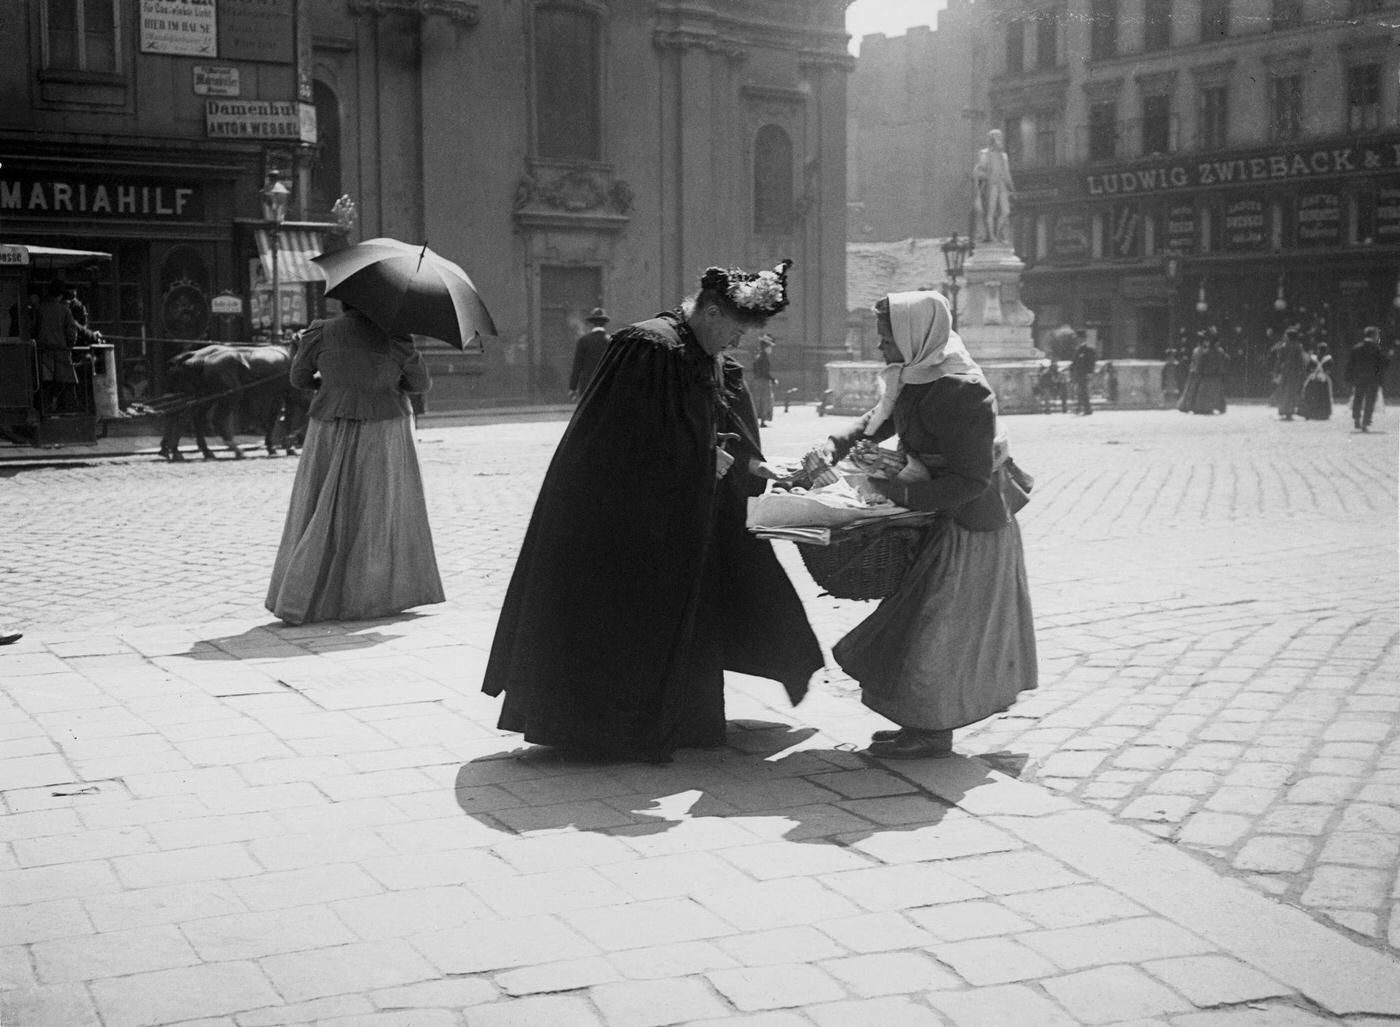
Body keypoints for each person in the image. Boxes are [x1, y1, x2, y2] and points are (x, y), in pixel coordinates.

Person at [482, 259, 823, 762]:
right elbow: (624, 440)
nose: (739, 344)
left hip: (678, 517)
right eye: (735, 330)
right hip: (623, 521)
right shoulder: (649, 348)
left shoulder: (704, 354)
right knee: (624, 622)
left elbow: (716, 425)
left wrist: (756, 467)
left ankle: (677, 718)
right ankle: (607, 730)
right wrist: (701, 458)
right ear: (709, 312)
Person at [807, 290, 1036, 759]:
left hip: (972, 525)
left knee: (937, 625)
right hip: (940, 512)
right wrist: (835, 448)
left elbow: (970, 480)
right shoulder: (914, 377)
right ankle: (920, 723)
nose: (880, 347)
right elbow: (877, 422)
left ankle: (932, 731)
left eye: (886, 337)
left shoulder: (960, 390)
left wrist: (896, 493)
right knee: (917, 619)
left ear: (915, 335)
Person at [265, 304, 445, 625]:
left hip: (328, 423)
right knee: (378, 507)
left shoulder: (320, 331)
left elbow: (298, 377)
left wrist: (332, 383)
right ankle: (371, 594)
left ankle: (304, 591)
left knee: (321, 502)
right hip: (384, 425)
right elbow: (420, 384)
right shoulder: (395, 337)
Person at [34, 280, 99, 412]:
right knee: (67, 385)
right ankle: (67, 411)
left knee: (45, 385)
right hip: (61, 353)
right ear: (60, 296)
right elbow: (72, 333)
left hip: (43, 353)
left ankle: (46, 410)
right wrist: (69, 346)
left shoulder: (39, 309)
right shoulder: (64, 310)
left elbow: (33, 329)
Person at [972, 128, 1015, 245]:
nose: (1000, 140)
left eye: (1000, 137)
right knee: (990, 212)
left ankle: (998, 234)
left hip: (1002, 186)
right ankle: (991, 236)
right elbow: (978, 172)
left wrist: (1012, 188)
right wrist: (988, 176)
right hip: (991, 185)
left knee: (1006, 212)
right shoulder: (984, 154)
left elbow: (1007, 173)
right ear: (992, 139)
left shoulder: (1004, 156)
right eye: (997, 137)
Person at [1347, 326, 1390, 432]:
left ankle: (1356, 419)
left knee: (1358, 398)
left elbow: (1350, 364)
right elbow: (1384, 363)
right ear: (1373, 335)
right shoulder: (1376, 348)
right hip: (1373, 379)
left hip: (1359, 378)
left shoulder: (1356, 348)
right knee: (1370, 400)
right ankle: (1366, 422)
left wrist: (1350, 377)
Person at [567, 307, 611, 400]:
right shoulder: (610, 341)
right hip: (606, 384)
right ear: (604, 323)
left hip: (587, 385)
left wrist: (573, 387)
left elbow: (577, 366)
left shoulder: (584, 341)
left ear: (592, 323)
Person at [1271, 326, 1310, 421]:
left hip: (1286, 371)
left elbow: (1279, 360)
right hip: (1295, 372)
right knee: (1292, 391)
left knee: (1284, 391)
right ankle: (1290, 411)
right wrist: (1304, 372)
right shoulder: (1298, 346)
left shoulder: (1284, 346)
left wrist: (1276, 372)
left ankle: (1285, 411)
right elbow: (1301, 361)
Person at [1299, 342, 1334, 421]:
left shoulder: (1313, 358)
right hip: (1323, 379)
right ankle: (1323, 413)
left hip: (1314, 378)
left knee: (1310, 395)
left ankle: (1310, 412)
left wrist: (1314, 372)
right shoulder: (1328, 359)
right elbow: (1331, 369)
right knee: (1324, 396)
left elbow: (1308, 369)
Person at [752, 333, 777, 426]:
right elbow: (765, 372)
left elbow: (755, 370)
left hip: (757, 380)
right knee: (765, 401)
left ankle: (759, 420)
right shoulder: (764, 358)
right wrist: (773, 379)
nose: (771, 349)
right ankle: (762, 420)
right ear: (766, 347)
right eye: (770, 347)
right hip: (763, 381)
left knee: (758, 401)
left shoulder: (758, 357)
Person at [1070, 332, 1096, 415]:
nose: (1077, 340)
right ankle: (1081, 408)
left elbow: (1092, 362)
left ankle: (1086, 408)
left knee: (1083, 391)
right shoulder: (1078, 349)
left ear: (1083, 338)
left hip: (1085, 374)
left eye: (1078, 338)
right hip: (1078, 374)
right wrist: (1071, 370)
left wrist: (1090, 372)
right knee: (1080, 391)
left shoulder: (1089, 349)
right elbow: (1074, 362)